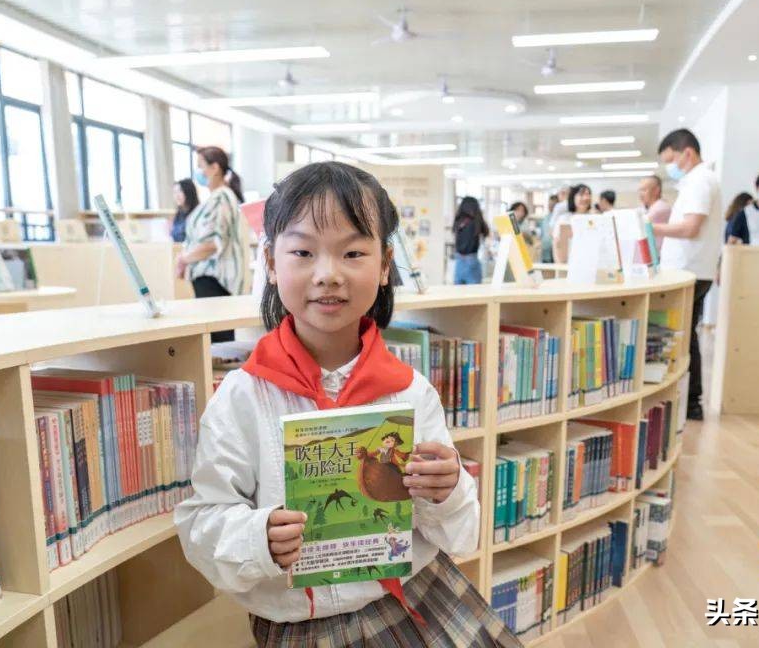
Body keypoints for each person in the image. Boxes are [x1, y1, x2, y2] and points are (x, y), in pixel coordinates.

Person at [175, 162, 520, 648]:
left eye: (353, 252)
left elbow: (461, 537)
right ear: (272, 264)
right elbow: (202, 522)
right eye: (302, 251)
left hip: (416, 598)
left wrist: (449, 489)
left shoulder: (409, 390)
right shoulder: (242, 396)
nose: (328, 274)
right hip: (299, 628)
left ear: (384, 266)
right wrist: (259, 537)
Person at [651, 129, 722, 421]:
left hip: (690, 270)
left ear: (687, 153)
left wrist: (652, 229)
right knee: (685, 333)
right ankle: (688, 400)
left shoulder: (700, 180)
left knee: (684, 335)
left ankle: (690, 402)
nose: (671, 168)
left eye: (672, 161)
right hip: (691, 269)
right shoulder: (699, 180)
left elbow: (691, 227)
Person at [177, 145, 245, 343]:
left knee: (217, 345)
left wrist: (184, 258)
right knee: (216, 343)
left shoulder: (222, 197)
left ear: (215, 168)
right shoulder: (215, 198)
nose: (198, 172)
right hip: (208, 280)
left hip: (214, 281)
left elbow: (213, 244)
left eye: (201, 166)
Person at [551, 183, 592, 264]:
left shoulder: (593, 218)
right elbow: (556, 244)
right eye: (581, 194)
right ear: (573, 197)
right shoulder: (564, 219)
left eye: (588, 194)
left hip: (590, 264)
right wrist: (559, 265)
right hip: (568, 264)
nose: (585, 198)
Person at [452, 196, 489, 285]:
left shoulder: (458, 220)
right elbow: (486, 233)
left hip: (459, 259)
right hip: (471, 259)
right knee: (474, 293)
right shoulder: (476, 221)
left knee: (458, 292)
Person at [637, 176, 671, 249]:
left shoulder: (661, 208)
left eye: (644, 190)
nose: (640, 194)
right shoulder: (646, 208)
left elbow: (638, 226)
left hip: (658, 255)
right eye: (639, 190)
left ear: (656, 190)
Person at [169, 178, 199, 243]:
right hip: (178, 251)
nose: (177, 195)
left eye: (180, 191)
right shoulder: (178, 215)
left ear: (188, 192)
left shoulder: (197, 213)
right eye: (175, 192)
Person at [540, 194, 559, 263]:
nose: (550, 206)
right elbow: (542, 235)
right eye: (550, 204)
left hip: (555, 251)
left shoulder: (560, 218)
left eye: (553, 204)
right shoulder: (545, 218)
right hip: (545, 251)